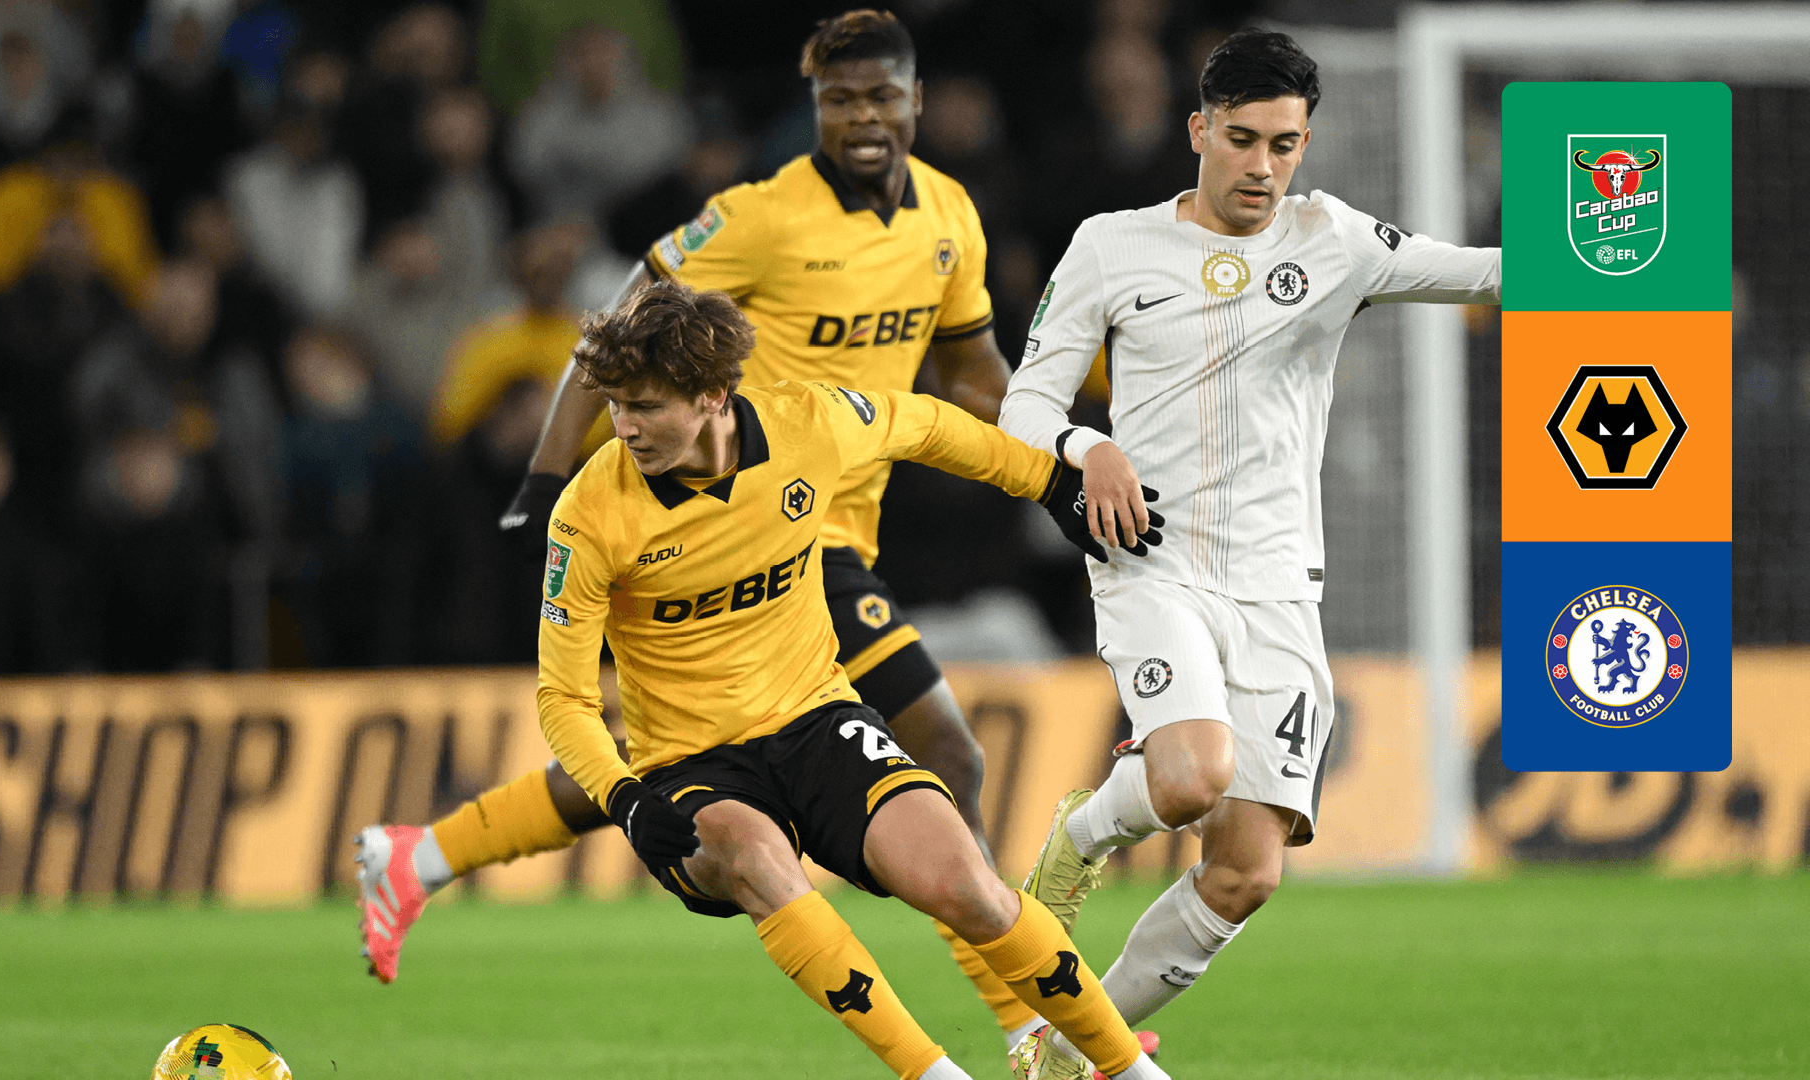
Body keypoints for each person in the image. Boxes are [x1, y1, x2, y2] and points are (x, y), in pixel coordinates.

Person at [356, 9, 1119, 1058]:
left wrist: (1070, 447)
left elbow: (970, 379)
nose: (862, 118)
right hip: (775, 525)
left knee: (679, 762)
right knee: (940, 751)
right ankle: (1025, 1024)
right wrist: (547, 469)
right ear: (815, 108)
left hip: (837, 509)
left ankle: (422, 858)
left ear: (915, 101)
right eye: (840, 100)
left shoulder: (950, 214)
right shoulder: (759, 218)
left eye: (880, 97)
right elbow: (621, 330)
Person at [359, 279, 1168, 1080]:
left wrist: (1048, 482)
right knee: (755, 857)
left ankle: (1124, 1069)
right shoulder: (590, 511)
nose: (624, 427)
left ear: (713, 395)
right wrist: (627, 799)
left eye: (646, 407)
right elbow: (563, 697)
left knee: (969, 887)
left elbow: (927, 426)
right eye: (616, 406)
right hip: (691, 765)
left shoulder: (805, 424)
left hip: (817, 722)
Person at [999, 29, 1501, 1077]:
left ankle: (1065, 1054)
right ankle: (1077, 840)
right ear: (1198, 131)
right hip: (1153, 562)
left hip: (1278, 587)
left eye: (1285, 144)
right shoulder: (1111, 244)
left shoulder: (1336, 241)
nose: (1263, 167)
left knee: (1246, 873)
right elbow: (1025, 406)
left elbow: (1489, 276)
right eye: (1242, 140)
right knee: (1191, 778)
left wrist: (1652, 258)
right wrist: (1089, 448)